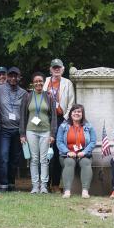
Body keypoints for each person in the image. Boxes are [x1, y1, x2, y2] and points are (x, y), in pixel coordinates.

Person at [20, 72, 57, 194]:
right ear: (33, 83)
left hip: (45, 131)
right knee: (34, 159)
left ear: (43, 82)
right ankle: (35, 186)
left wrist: (52, 134)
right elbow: (23, 116)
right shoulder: (27, 96)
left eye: (40, 81)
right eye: (36, 81)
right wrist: (22, 134)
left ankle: (44, 186)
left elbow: (54, 117)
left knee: (44, 160)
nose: (38, 83)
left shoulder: (49, 96)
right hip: (31, 131)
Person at [43, 58, 75, 192]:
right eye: (54, 67)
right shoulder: (44, 82)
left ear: (63, 69)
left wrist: (67, 119)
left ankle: (55, 184)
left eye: (59, 67)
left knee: (56, 152)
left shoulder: (67, 83)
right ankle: (44, 183)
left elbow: (71, 103)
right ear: (50, 69)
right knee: (44, 151)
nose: (56, 69)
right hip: (46, 119)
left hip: (62, 119)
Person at [0, 66, 27, 192]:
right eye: (11, 75)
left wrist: (23, 132)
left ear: (19, 77)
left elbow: (25, 114)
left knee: (14, 159)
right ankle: (3, 184)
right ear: (7, 77)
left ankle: (11, 184)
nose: (13, 78)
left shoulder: (24, 93)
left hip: (17, 131)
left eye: (16, 76)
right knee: (3, 157)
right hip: (4, 130)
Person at [56, 104, 96, 198]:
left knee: (86, 162)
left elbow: (93, 141)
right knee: (69, 162)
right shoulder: (63, 126)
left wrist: (84, 152)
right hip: (67, 154)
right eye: (74, 111)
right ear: (70, 114)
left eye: (79, 112)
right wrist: (67, 152)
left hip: (83, 154)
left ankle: (85, 191)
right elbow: (59, 141)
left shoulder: (88, 127)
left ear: (82, 114)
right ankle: (67, 191)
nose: (76, 113)